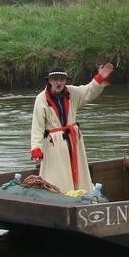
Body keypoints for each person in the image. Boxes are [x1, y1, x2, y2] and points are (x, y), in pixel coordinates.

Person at [30, 64, 114, 193]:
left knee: (79, 171)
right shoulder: (41, 99)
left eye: (62, 79)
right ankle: (58, 195)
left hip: (74, 140)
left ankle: (81, 193)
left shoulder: (72, 92)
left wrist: (99, 78)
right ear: (49, 81)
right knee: (57, 173)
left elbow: (89, 91)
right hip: (54, 144)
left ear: (65, 81)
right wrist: (36, 148)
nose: (58, 83)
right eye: (55, 79)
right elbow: (37, 126)